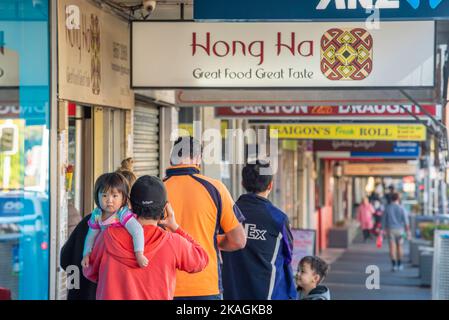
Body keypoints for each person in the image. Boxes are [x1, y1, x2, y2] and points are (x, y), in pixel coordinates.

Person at [83, 175, 209, 300]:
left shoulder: (106, 237)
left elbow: (89, 271)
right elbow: (202, 259)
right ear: (165, 208)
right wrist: (175, 227)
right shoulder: (174, 242)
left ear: (129, 204)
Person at [164, 136, 247, 300]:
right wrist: (210, 242)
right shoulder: (215, 188)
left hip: (166, 285)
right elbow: (238, 240)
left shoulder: (159, 189)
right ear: (198, 158)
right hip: (206, 286)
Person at [221, 161, 297, 300]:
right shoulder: (278, 219)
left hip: (230, 292)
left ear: (243, 183)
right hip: (267, 293)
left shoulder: (227, 213)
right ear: (270, 185)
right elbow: (288, 255)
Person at [60, 171, 138, 300]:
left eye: (114, 195)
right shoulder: (130, 230)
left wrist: (75, 285)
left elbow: (65, 259)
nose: (110, 200)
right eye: (106, 195)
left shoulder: (88, 222)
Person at [81, 172, 148, 269]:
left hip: (121, 258)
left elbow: (137, 230)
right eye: (104, 195)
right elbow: (91, 236)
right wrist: (86, 254)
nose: (109, 200)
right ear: (97, 196)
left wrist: (139, 254)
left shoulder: (122, 213)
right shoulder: (97, 214)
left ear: (123, 197)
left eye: (115, 196)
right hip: (105, 257)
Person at [382, 193, 411, 271]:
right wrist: (408, 232)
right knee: (400, 246)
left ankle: (394, 265)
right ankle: (400, 264)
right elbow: (406, 221)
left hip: (390, 230)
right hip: (401, 231)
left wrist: (382, 231)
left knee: (392, 247)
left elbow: (383, 221)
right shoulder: (402, 208)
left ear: (391, 199)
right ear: (398, 199)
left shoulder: (387, 208)